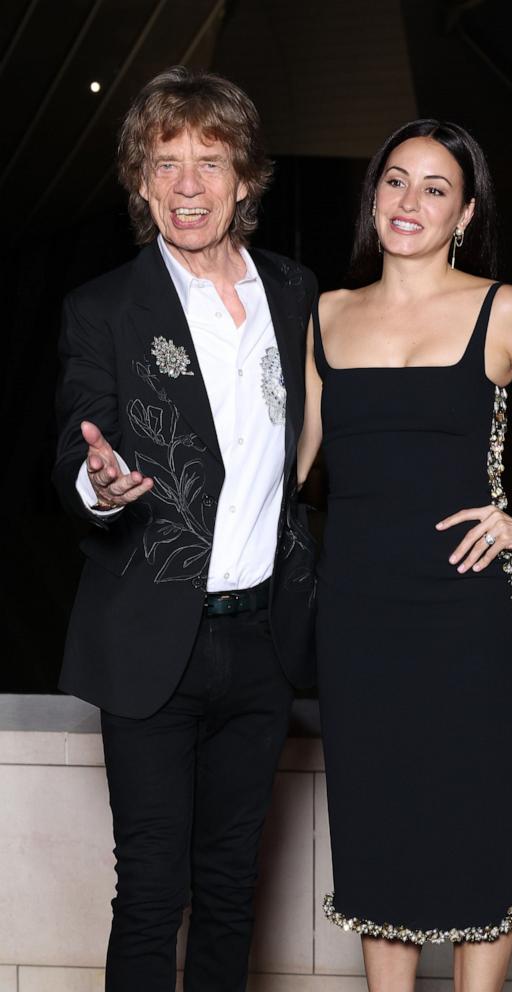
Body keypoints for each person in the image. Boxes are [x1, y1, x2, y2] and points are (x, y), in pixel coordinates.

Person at [297, 119, 512, 992]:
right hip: (356, 619)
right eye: (395, 180)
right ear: (373, 196)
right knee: (377, 833)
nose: (410, 202)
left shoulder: (499, 310)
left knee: (476, 825)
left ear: (464, 212)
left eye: (435, 187)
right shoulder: (322, 316)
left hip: (466, 615)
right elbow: (288, 470)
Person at [53, 66, 317, 992]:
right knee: (153, 891)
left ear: (245, 178)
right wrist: (100, 483)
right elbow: (75, 438)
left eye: (210, 161)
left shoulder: (295, 294)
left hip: (262, 644)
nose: (189, 185)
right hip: (149, 641)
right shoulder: (105, 309)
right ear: (140, 183)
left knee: (232, 888)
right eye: (166, 165)